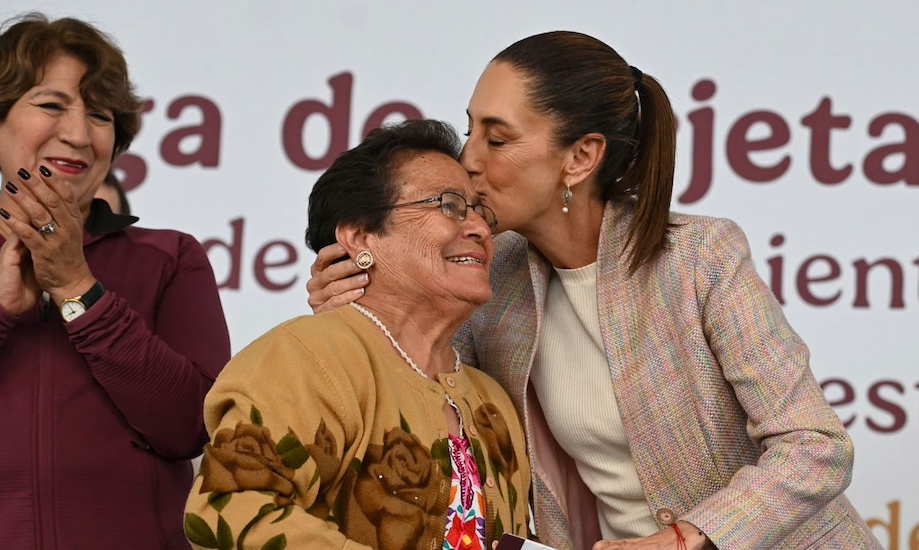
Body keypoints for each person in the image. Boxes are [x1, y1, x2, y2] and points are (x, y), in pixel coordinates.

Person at [307, 32, 881, 549]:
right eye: (469, 131)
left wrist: (686, 539)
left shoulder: (700, 257)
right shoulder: (490, 277)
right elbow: (431, 411)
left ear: (581, 157)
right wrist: (360, 316)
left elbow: (817, 445)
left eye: (497, 139)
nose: (468, 161)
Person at [0, 13, 230, 549]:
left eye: (99, 115)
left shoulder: (171, 258)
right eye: (52, 106)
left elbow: (190, 428)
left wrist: (80, 289)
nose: (78, 135)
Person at [185, 119, 531, 550]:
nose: (479, 228)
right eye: (449, 205)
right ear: (361, 236)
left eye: (480, 212)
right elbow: (229, 513)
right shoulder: (305, 358)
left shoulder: (492, 400)